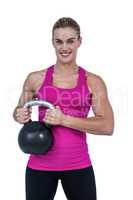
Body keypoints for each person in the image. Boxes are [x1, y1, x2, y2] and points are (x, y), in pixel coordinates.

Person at [13, 17, 114, 200]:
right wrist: (19, 114)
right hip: (39, 165)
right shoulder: (35, 79)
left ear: (79, 41)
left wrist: (63, 119)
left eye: (70, 41)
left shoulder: (93, 81)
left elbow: (107, 126)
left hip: (78, 165)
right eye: (58, 41)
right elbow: (20, 109)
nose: (64, 47)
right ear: (52, 42)